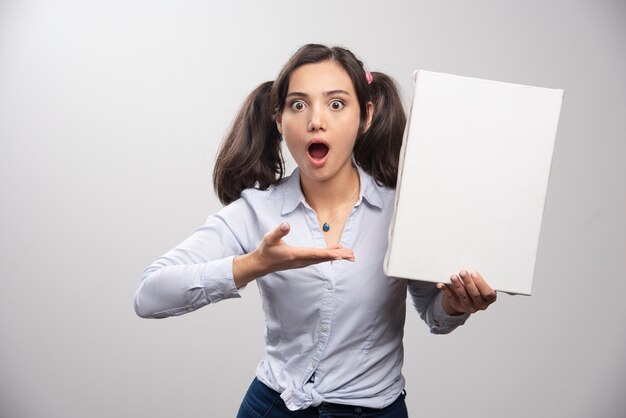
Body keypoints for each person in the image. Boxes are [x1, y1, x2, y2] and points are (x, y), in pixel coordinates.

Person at [134, 44, 497, 417]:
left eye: (336, 104)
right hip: (273, 406)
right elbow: (148, 295)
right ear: (279, 121)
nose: (316, 121)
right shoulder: (256, 212)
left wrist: (455, 304)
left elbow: (435, 316)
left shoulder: (401, 210)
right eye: (298, 105)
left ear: (365, 116)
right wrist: (254, 265)